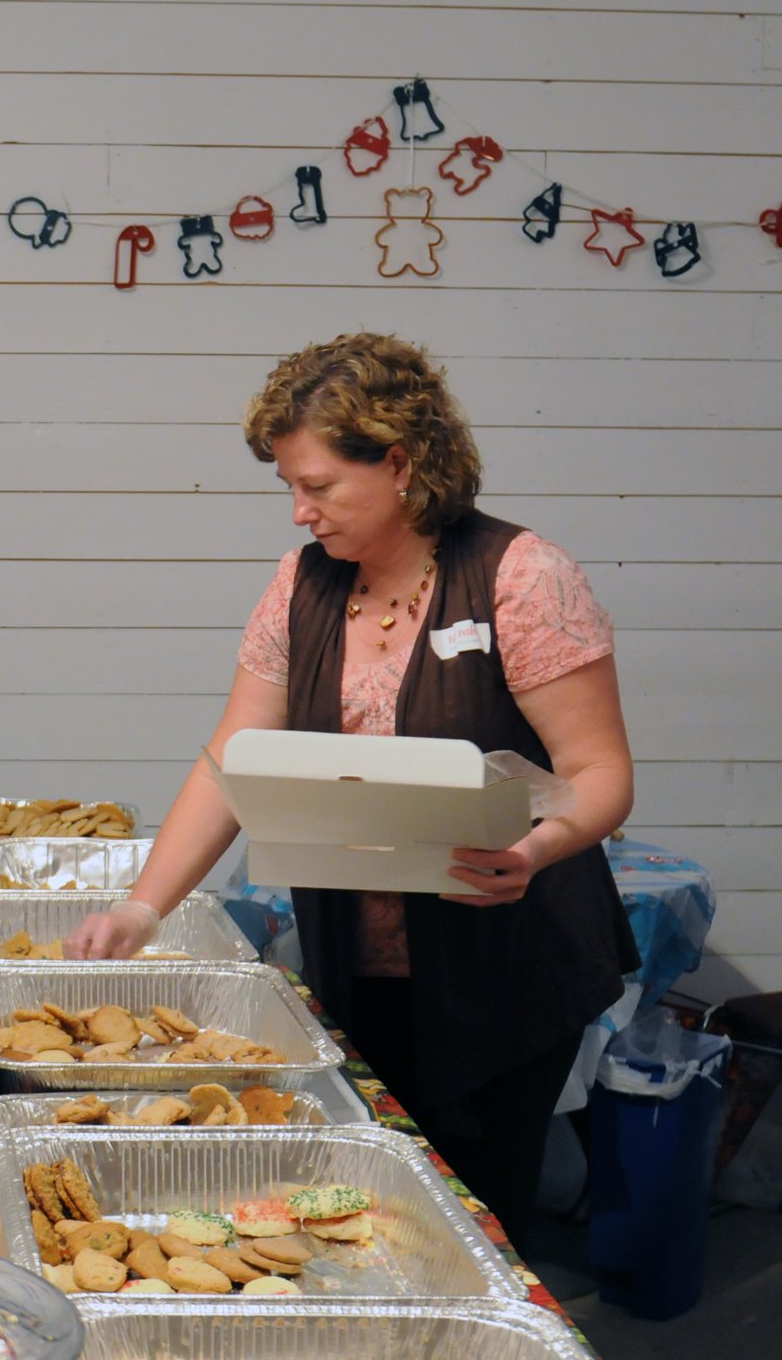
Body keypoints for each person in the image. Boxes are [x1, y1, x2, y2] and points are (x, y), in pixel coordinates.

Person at [65, 333, 638, 1248]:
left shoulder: (520, 576)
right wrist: (143, 909)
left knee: (471, 1219)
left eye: (320, 487)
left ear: (402, 462)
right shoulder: (304, 584)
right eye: (291, 487)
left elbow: (601, 775)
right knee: (362, 1213)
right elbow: (230, 761)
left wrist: (533, 849)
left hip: (503, 969)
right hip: (358, 964)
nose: (300, 513)